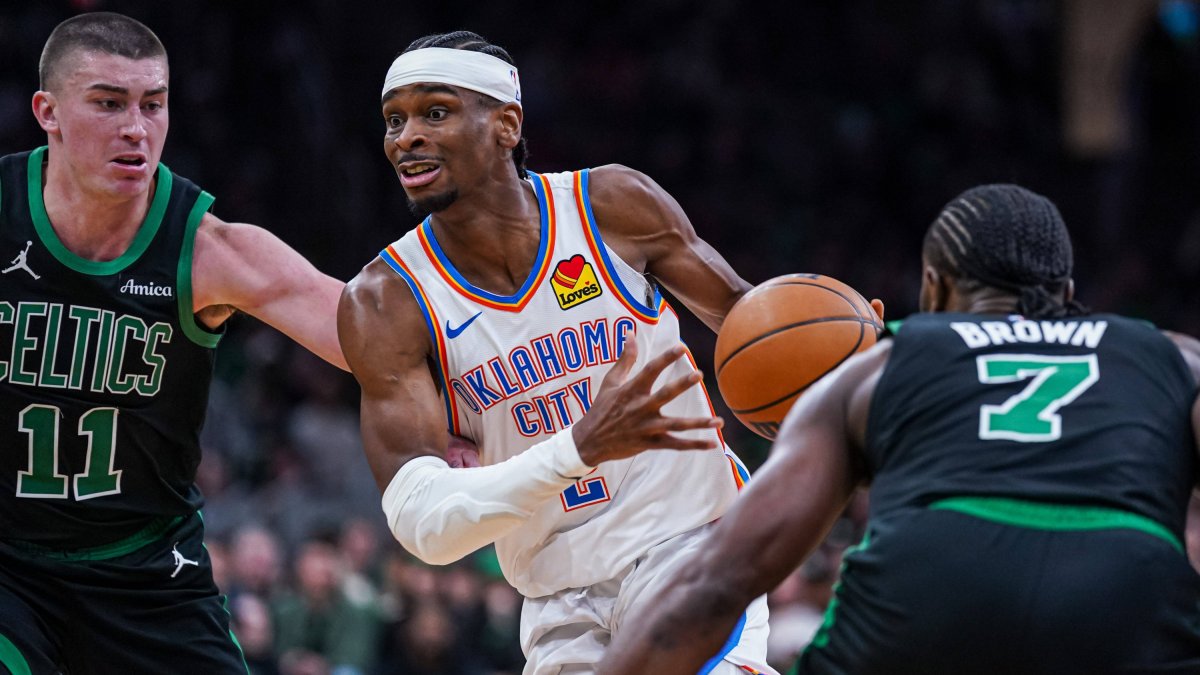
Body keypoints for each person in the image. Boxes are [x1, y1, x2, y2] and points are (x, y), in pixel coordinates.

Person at [338, 30, 800, 674]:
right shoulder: (386, 301)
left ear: (505, 125)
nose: (405, 137)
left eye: (434, 113)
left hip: (691, 543)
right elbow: (427, 529)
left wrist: (852, 356)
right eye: (394, 120)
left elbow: (753, 323)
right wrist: (577, 449)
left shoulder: (609, 206)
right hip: (557, 596)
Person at [599, 184, 1200, 674]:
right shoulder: (1175, 357)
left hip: (928, 585)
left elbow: (720, 578)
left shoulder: (875, 370)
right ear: (1068, 294)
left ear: (933, 290)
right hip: (1125, 586)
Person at [0, 12, 350, 674]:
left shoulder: (208, 248)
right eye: (108, 103)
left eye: (152, 105)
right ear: (48, 111)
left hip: (147, 570)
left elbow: (371, 338)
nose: (136, 127)